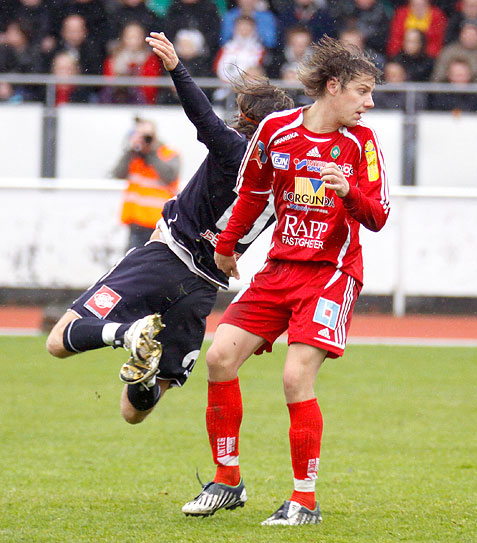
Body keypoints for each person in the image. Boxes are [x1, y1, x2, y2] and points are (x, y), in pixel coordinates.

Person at [181, 36, 389, 526]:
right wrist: (227, 244)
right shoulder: (276, 130)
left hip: (331, 274)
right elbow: (252, 191)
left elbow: (378, 216)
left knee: (295, 378)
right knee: (219, 357)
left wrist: (350, 192)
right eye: (362, 92)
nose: (369, 102)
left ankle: (304, 501)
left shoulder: (362, 143)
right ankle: (227, 481)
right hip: (278, 270)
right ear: (333, 87)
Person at [45, 31, 293, 425]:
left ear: (247, 120)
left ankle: (125, 335)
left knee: (58, 341)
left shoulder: (235, 152)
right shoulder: (289, 181)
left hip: (165, 258)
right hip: (201, 292)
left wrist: (177, 68)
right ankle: (143, 362)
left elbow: (201, 114)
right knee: (133, 412)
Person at [112, 117, 181, 250]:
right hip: (137, 222)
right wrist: (129, 152)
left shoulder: (167, 153)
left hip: (160, 222)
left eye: (147, 136)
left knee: (157, 265)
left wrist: (152, 153)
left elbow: (169, 176)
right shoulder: (134, 155)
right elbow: (117, 173)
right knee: (132, 265)